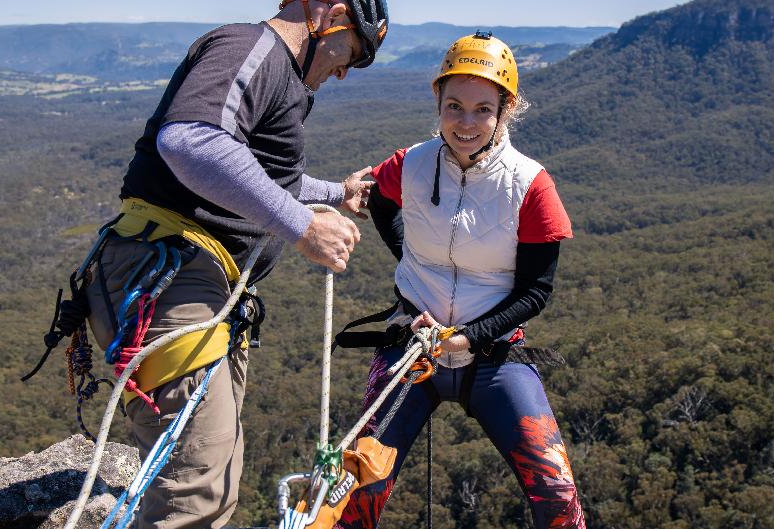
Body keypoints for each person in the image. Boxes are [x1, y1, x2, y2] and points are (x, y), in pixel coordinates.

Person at [80, 1, 388, 528]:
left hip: (189, 281)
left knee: (213, 481)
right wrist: (303, 226)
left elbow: (267, 180)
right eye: (352, 53)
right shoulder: (252, 48)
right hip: (172, 276)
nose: (343, 70)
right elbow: (191, 139)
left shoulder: (278, 72)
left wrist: (336, 194)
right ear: (329, 13)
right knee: (194, 494)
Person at [334, 32, 587, 529]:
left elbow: (537, 291)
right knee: (353, 490)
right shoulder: (410, 164)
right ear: (438, 102)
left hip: (493, 355)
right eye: (454, 106)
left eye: (482, 109)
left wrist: (470, 336)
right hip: (414, 344)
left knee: (558, 496)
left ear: (504, 111)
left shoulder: (531, 186)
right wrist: (409, 259)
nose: (465, 123)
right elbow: (381, 202)